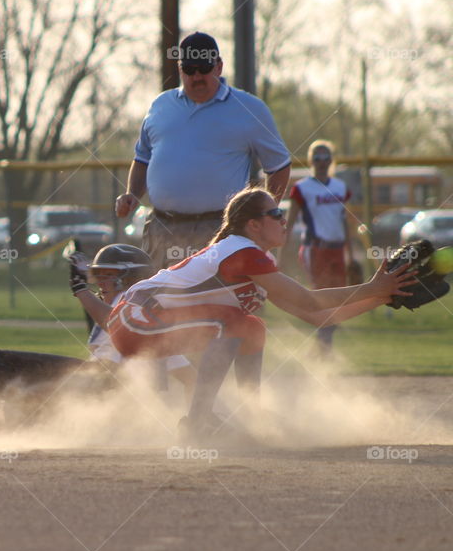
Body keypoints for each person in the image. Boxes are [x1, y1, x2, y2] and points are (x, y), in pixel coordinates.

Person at [105, 187, 413, 441]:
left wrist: (383, 296)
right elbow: (310, 300)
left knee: (252, 328)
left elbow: (320, 318)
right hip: (135, 318)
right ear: (253, 225)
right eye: (276, 214)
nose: (283, 220)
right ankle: (197, 422)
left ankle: (250, 416)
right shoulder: (241, 252)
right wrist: (373, 286)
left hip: (148, 324)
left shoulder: (255, 260)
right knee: (234, 323)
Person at [115, 32, 292, 270]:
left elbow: (278, 166)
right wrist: (133, 194)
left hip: (221, 227)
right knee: (158, 302)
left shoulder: (249, 108)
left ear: (218, 66)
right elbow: (143, 158)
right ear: (180, 70)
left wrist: (266, 215)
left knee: (220, 302)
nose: (197, 76)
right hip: (163, 226)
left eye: (204, 68)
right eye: (189, 69)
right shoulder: (161, 105)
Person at [0, 244, 193, 422]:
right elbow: (188, 376)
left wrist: (81, 290)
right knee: (17, 384)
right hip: (96, 382)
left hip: (109, 383)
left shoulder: (135, 304)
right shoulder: (120, 308)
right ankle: (31, 415)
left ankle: (33, 417)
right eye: (98, 275)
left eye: (108, 275)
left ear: (132, 277)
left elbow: (119, 325)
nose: (100, 282)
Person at [282, 140, 352, 352]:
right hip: (315, 247)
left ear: (331, 160)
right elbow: (289, 222)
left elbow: (345, 220)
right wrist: (280, 254)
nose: (322, 162)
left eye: (326, 157)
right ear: (311, 160)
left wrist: (351, 253)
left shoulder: (340, 187)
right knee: (322, 294)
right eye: (317, 158)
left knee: (339, 296)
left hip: (337, 247)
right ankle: (323, 344)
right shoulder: (302, 188)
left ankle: (323, 341)